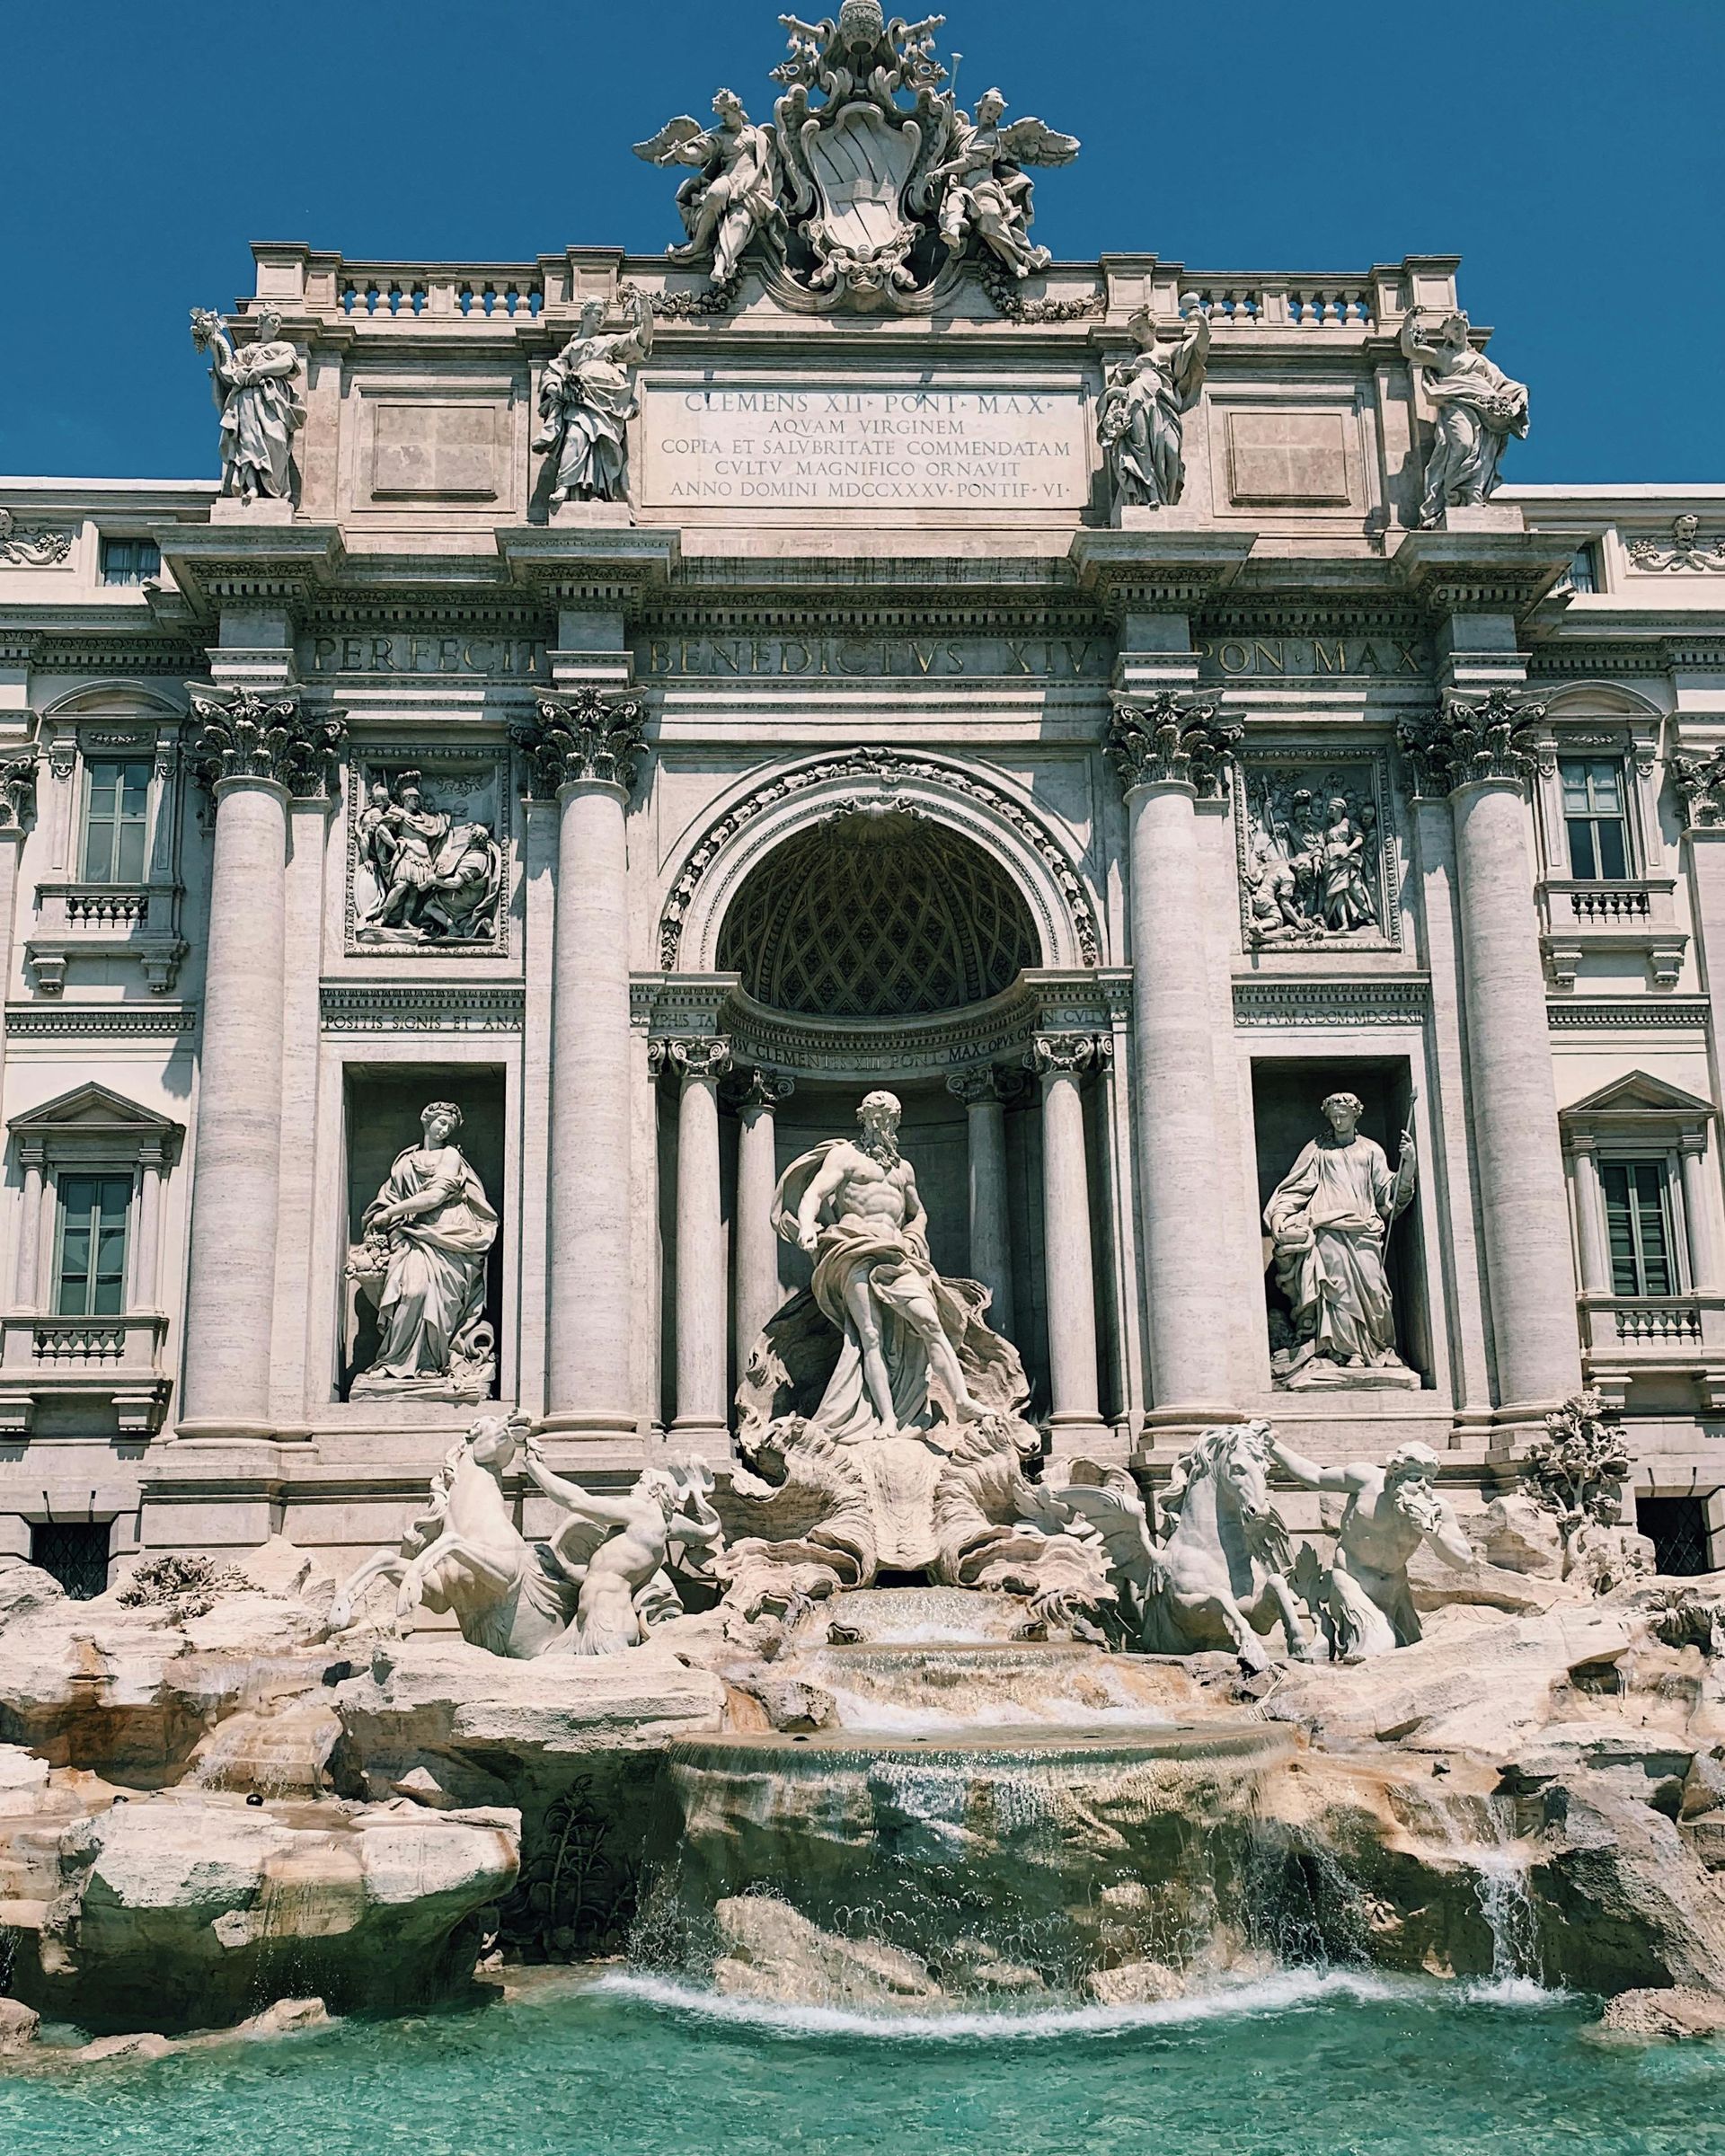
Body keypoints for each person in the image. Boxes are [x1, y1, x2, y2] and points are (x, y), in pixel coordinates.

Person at [774, 1091, 989, 1443]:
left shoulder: (903, 1169)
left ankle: (963, 1400)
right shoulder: (845, 1156)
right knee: (869, 1335)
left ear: (896, 1122)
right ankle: (887, 1419)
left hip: (897, 1254)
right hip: (853, 1248)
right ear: (863, 1119)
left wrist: (914, 1235)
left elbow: (917, 1211)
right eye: (874, 1119)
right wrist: (809, 1225)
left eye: (887, 1119)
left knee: (930, 1322)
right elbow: (814, 1193)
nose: (881, 1125)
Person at [1269, 1435, 1472, 1657]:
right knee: (1380, 1646)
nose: (1424, 1486)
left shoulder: (1438, 1509)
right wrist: (1272, 1446)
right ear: (1395, 1475)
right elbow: (1314, 1476)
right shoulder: (1365, 1480)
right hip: (1353, 1580)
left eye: (1429, 1480)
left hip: (1395, 1589)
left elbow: (1463, 1561)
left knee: (1412, 1649)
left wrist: (1433, 1533)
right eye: (1415, 1478)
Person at [350, 1101, 498, 1394]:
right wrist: (381, 1217)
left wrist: (392, 1213)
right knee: (411, 1291)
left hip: (450, 1235)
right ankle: (394, 1362)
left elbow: (435, 1196)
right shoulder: (406, 1160)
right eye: (440, 1122)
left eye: (449, 1126)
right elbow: (388, 1196)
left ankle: (432, 1362)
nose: (443, 1129)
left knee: (440, 1302)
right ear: (426, 1120)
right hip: (412, 1235)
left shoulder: (451, 1155)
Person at [1265, 1091, 1414, 1377]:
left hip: (1364, 1229)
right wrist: (1281, 1215)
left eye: (1343, 1115)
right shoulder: (1318, 1150)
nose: (1338, 1120)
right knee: (1335, 1292)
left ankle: (1378, 1347)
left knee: (1375, 1290)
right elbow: (1296, 1188)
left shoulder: (1371, 1151)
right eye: (1334, 1116)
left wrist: (1407, 1165)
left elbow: (1389, 1194)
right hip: (1327, 1230)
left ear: (1356, 1115)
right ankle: (1346, 1352)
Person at [1399, 310, 1528, 527]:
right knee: (1463, 444)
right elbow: (1410, 349)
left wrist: (1520, 396)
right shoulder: (1444, 357)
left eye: (1460, 328)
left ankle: (1472, 498)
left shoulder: (1480, 360)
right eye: (1453, 330)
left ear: (1466, 330)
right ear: (1447, 335)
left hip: (1484, 408)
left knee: (1481, 456)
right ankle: (1452, 497)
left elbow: (1504, 384)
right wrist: (1408, 321)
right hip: (1457, 405)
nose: (1458, 333)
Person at [533, 287, 652, 508]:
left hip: (610, 402)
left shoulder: (607, 342)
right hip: (581, 398)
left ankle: (599, 490)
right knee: (576, 437)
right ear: (585, 314)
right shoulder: (572, 348)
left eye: (603, 316)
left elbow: (640, 341)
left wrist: (645, 313)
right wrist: (558, 389)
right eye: (597, 313)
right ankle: (565, 486)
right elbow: (552, 374)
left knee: (604, 444)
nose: (601, 318)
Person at [1097, 308, 1210, 508]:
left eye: (1139, 327)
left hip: (1163, 408)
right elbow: (1108, 394)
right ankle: (1148, 499)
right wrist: (1115, 393)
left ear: (1151, 325)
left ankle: (1167, 500)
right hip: (1137, 408)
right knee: (1142, 451)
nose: (1137, 333)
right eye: (1133, 331)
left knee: (1171, 450)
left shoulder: (1170, 350)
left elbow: (1200, 352)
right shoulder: (1128, 364)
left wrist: (1202, 324)